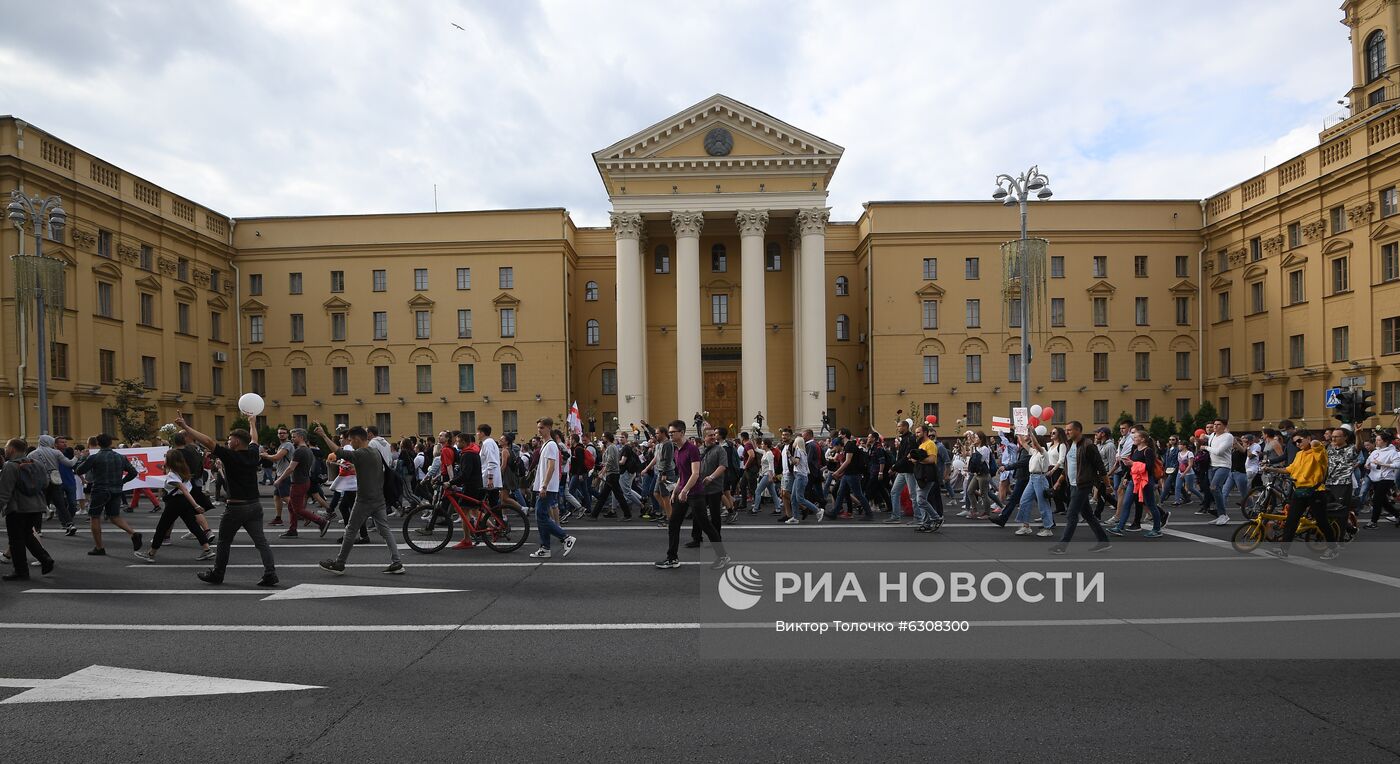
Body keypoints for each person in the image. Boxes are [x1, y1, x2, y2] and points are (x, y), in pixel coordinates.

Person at [173, 418, 278, 586]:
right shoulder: (252, 453)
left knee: (224, 541)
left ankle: (217, 574)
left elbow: (207, 441)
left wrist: (186, 427)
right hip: (255, 506)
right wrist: (252, 422)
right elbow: (254, 439)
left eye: (230, 439)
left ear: (236, 441)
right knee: (261, 542)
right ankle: (270, 573)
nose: (228, 442)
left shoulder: (230, 455)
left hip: (236, 507)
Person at [315, 425, 405, 575]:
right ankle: (397, 562)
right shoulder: (374, 452)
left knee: (350, 529)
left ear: (357, 439)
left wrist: (324, 436)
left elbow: (338, 451)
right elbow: (367, 469)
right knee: (385, 530)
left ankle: (340, 563)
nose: (350, 443)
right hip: (379, 498)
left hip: (364, 499)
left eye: (351, 440)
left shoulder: (361, 453)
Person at [656, 420, 728, 569]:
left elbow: (695, 474)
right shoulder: (677, 450)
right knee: (673, 524)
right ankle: (672, 558)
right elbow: (682, 475)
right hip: (683, 492)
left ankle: (723, 556)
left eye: (672, 432)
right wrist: (676, 491)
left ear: (681, 433)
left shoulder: (692, 449)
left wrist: (684, 490)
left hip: (695, 493)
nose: (670, 435)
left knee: (706, 525)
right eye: (669, 432)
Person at [1266, 431, 1339, 560]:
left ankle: (1333, 548)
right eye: (1294, 442)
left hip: (1316, 492)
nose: (1297, 444)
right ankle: (1284, 550)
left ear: (1308, 439)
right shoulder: (1299, 454)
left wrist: (1312, 441)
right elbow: (1289, 469)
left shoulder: (1318, 452)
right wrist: (1271, 468)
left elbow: (1317, 444)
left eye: (1299, 441)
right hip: (1299, 491)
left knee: (1321, 522)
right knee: (1291, 520)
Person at [134, 449, 215, 563]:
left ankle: (151, 553)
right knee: (193, 526)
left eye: (165, 457)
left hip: (176, 503)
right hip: (183, 502)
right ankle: (207, 550)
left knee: (162, 527)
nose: (164, 459)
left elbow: (184, 490)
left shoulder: (173, 475)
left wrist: (196, 506)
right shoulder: (183, 471)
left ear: (170, 461)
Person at [73, 433, 143, 556]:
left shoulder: (94, 457)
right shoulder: (120, 457)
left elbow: (79, 470)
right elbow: (133, 472)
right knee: (114, 516)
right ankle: (133, 533)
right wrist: (122, 482)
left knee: (95, 517)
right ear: (111, 443)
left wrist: (83, 457)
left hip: (100, 490)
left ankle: (99, 547)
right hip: (116, 490)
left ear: (98, 444)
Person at [1049, 421, 1112, 555]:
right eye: (1066, 430)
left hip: (1083, 485)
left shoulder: (1088, 446)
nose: (1066, 432)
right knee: (1088, 515)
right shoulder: (1069, 445)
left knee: (1072, 514)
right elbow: (1068, 466)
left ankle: (1062, 546)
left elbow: (1100, 467)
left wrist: (1107, 485)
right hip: (1072, 485)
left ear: (1078, 430)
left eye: (1069, 430)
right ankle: (1104, 541)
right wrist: (1059, 481)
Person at [0, 439, 56, 581]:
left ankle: (21, 571)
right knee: (27, 536)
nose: (5, 450)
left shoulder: (10, 466)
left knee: (16, 541)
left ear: (12, 449)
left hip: (17, 509)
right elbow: (45, 483)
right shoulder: (36, 463)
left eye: (6, 447)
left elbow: (4, 492)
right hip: (36, 507)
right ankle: (45, 559)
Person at [527, 418, 576, 559]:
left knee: (541, 515)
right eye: (538, 427)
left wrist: (544, 485)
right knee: (541, 515)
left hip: (547, 487)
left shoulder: (550, 445)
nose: (539, 430)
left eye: (541, 427)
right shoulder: (547, 444)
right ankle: (545, 547)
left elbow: (551, 467)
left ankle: (565, 538)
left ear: (549, 428)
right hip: (546, 486)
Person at [272, 428, 330, 538]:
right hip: (304, 481)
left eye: (294, 437)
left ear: (301, 437)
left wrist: (279, 480)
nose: (292, 439)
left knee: (298, 509)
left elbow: (290, 468)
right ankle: (292, 530)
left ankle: (321, 522)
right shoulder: (308, 450)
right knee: (291, 506)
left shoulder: (299, 451)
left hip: (298, 483)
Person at [1013, 431, 1056, 537]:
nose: (1031, 443)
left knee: (1042, 504)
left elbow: (1036, 444)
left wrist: (1031, 433)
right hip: (1032, 478)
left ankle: (1048, 528)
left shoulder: (1043, 452)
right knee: (1024, 501)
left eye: (1033, 441)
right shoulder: (1034, 452)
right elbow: (1023, 443)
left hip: (1040, 478)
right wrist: (1018, 431)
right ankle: (1026, 526)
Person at [1363, 431, 1400, 529]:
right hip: (1375, 478)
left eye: (1379, 440)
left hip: (1386, 478)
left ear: (1385, 441)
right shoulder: (1375, 451)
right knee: (1383, 501)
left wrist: (1383, 464)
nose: (1376, 442)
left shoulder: (1392, 452)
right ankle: (1397, 514)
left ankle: (1373, 522)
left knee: (1376, 499)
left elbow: (1397, 465)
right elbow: (1369, 461)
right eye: (1376, 440)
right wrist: (1367, 465)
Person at [1206, 419, 1236, 525]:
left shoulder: (1228, 436)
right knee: (1214, 489)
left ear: (1224, 426)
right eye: (1214, 424)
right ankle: (1221, 515)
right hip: (1212, 466)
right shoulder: (1213, 435)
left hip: (1223, 466)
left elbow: (1219, 451)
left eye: (1218, 425)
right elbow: (1208, 438)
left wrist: (1205, 447)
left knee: (1214, 487)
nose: (1215, 426)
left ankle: (1223, 515)